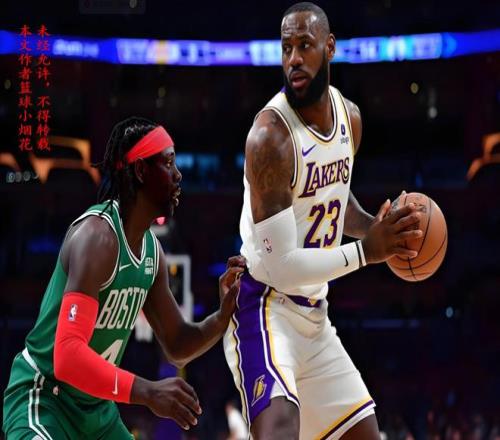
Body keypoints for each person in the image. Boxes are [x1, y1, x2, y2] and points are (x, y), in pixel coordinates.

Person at [223, 3, 423, 439]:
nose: (294, 58)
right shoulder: (270, 138)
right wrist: (366, 251)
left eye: (305, 46)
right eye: (286, 48)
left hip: (315, 318)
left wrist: (374, 227)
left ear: (329, 48)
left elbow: (332, 198)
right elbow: (281, 265)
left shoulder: (350, 118)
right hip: (265, 309)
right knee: (279, 431)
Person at [2, 117, 244, 439]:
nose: (178, 174)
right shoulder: (97, 238)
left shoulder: (152, 253)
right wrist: (148, 392)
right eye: (168, 163)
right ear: (141, 170)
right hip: (46, 398)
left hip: (97, 411)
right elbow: (67, 356)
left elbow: (177, 344)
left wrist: (222, 316)